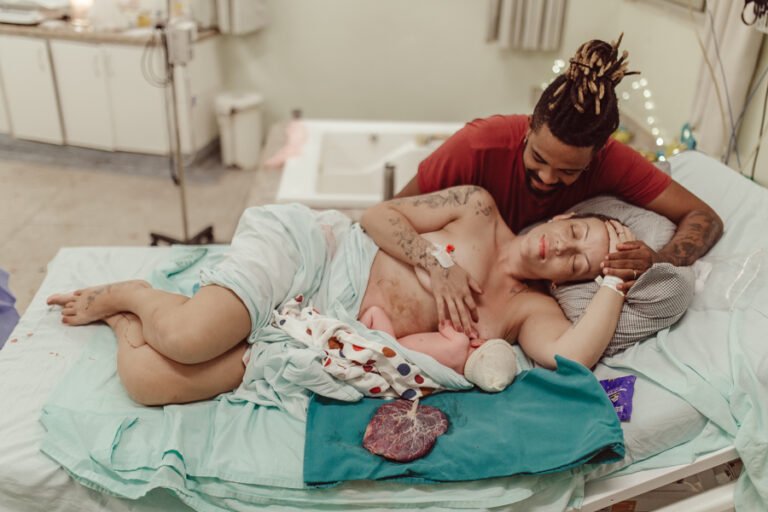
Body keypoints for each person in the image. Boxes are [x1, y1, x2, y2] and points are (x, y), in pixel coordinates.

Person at [47, 186, 633, 406]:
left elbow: (571, 358)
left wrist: (615, 281)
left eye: (578, 263)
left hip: (322, 329)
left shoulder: (529, 309)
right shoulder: (477, 209)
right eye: (577, 234)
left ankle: (132, 312)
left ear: (571, 281)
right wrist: (435, 265)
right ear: (566, 216)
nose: (563, 249)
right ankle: (136, 294)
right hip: (314, 258)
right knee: (186, 338)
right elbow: (378, 216)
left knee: (150, 382)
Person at [394, 35, 722, 334]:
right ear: (529, 128)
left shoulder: (614, 162)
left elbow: (704, 217)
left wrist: (660, 259)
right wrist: (436, 264)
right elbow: (393, 211)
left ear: (595, 158)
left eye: (568, 171)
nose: (548, 177)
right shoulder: (479, 145)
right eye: (537, 157)